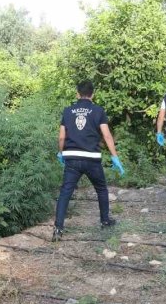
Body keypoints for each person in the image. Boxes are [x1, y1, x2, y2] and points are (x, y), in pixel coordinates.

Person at [52, 80, 124, 242]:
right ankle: (105, 220)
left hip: (72, 158)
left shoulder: (68, 111)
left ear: (77, 93)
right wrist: (114, 156)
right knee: (101, 189)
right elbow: (106, 135)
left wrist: (61, 152)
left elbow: (62, 136)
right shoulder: (98, 111)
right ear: (93, 94)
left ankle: (58, 229)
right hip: (92, 158)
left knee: (65, 192)